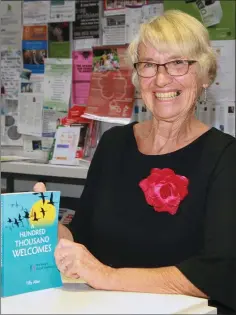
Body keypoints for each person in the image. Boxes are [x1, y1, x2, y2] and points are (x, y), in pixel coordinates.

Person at [34, 10, 236, 314]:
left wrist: (107, 277)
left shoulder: (225, 156)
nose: (161, 78)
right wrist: (44, 226)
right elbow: (84, 237)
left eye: (178, 63)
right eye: (148, 65)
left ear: (205, 74)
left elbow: (221, 272)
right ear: (137, 78)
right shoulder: (115, 144)